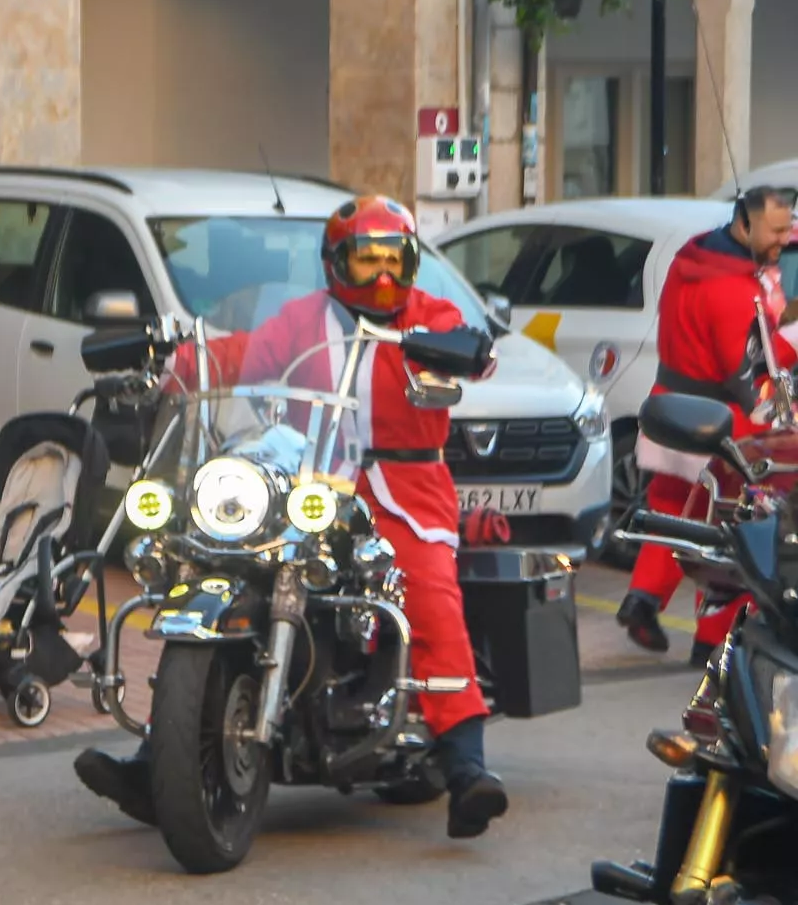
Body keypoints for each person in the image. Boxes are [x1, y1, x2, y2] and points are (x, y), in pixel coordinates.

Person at [75, 195, 511, 840]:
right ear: (336, 264)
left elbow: (474, 351)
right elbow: (241, 354)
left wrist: (463, 349)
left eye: (395, 261)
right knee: (220, 556)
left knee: (428, 590)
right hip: (312, 473)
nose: (383, 278)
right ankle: (160, 760)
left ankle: (466, 764)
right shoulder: (306, 318)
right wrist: (171, 365)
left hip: (402, 484)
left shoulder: (426, 318)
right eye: (366, 263)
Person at [617, 185, 796, 660]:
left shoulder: (690, 257)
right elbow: (750, 377)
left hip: (669, 404)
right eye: (776, 230)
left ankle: (642, 597)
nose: (785, 237)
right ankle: (713, 640)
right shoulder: (734, 292)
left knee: (672, 511)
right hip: (722, 421)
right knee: (735, 530)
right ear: (744, 223)